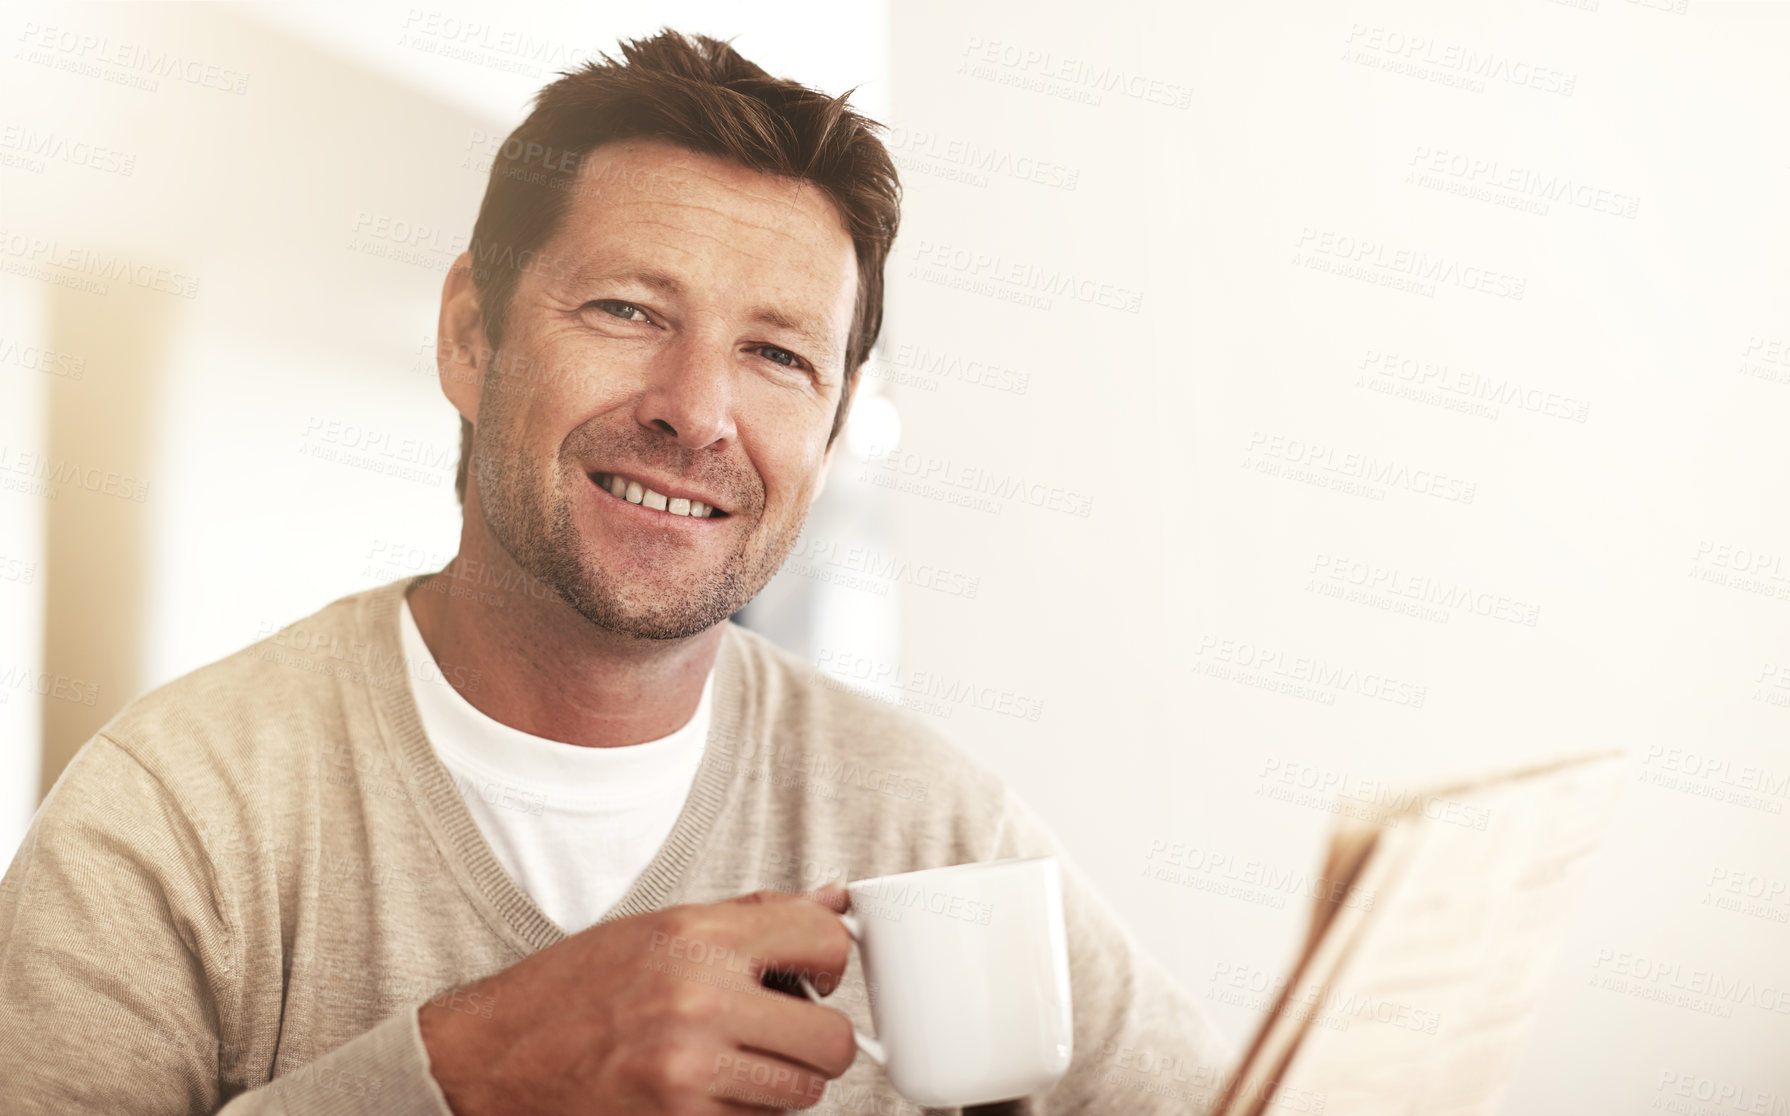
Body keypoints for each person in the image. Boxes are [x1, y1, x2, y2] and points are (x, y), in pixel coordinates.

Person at [0, 29, 1227, 1115]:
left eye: (775, 355)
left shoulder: (931, 827)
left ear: (835, 428)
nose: (695, 414)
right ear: (471, 338)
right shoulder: (170, 817)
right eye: (628, 312)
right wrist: (472, 1072)